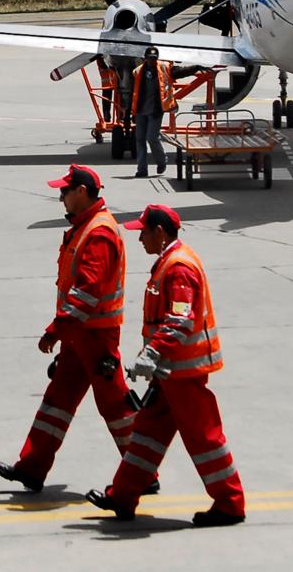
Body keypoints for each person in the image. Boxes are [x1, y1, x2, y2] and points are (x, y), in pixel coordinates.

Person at [87, 204, 246, 527]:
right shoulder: (169, 262)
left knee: (204, 438)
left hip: (184, 373)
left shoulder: (177, 269)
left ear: (160, 233)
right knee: (147, 433)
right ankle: (123, 495)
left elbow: (178, 321)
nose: (139, 238)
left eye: (143, 232)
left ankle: (230, 503)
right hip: (171, 372)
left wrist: (151, 355)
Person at [0, 165, 139, 493]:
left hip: (95, 334)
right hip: (80, 333)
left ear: (82, 192)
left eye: (65, 191)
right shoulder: (85, 227)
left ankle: (142, 472)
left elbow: (87, 291)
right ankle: (32, 467)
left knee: (115, 404)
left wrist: (55, 330)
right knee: (57, 401)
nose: (60, 197)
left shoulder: (98, 233)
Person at [132, 47, 177, 177]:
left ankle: (162, 161)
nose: (152, 61)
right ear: (145, 59)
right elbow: (132, 90)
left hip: (155, 111)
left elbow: (179, 72)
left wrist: (195, 67)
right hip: (141, 110)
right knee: (140, 140)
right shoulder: (138, 71)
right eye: (150, 59)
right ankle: (142, 170)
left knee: (151, 138)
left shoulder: (163, 68)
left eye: (154, 59)